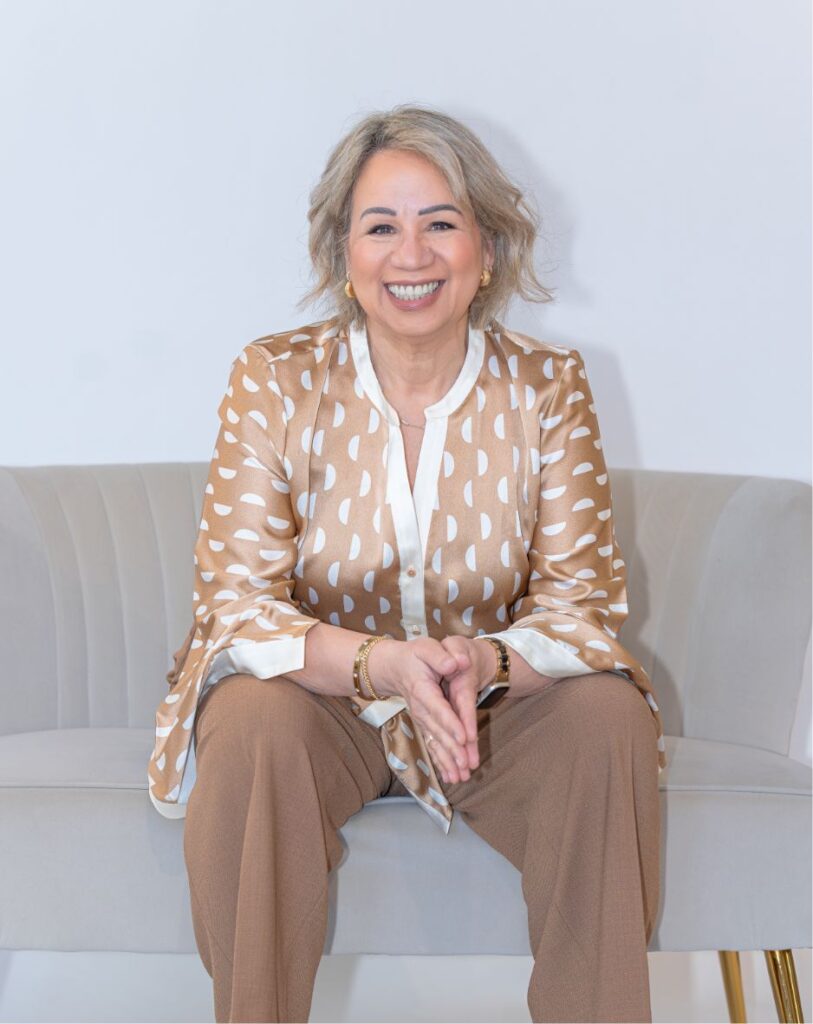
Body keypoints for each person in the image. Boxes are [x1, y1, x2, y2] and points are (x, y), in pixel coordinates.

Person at [148, 103, 666, 1023]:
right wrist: (378, 663)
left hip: (492, 711)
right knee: (251, 721)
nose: (411, 254)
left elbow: (581, 607)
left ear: (487, 250)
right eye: (380, 227)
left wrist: (483, 662)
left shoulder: (548, 387)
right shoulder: (273, 378)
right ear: (342, 257)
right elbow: (237, 607)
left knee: (607, 716)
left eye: (440, 223)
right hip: (320, 706)